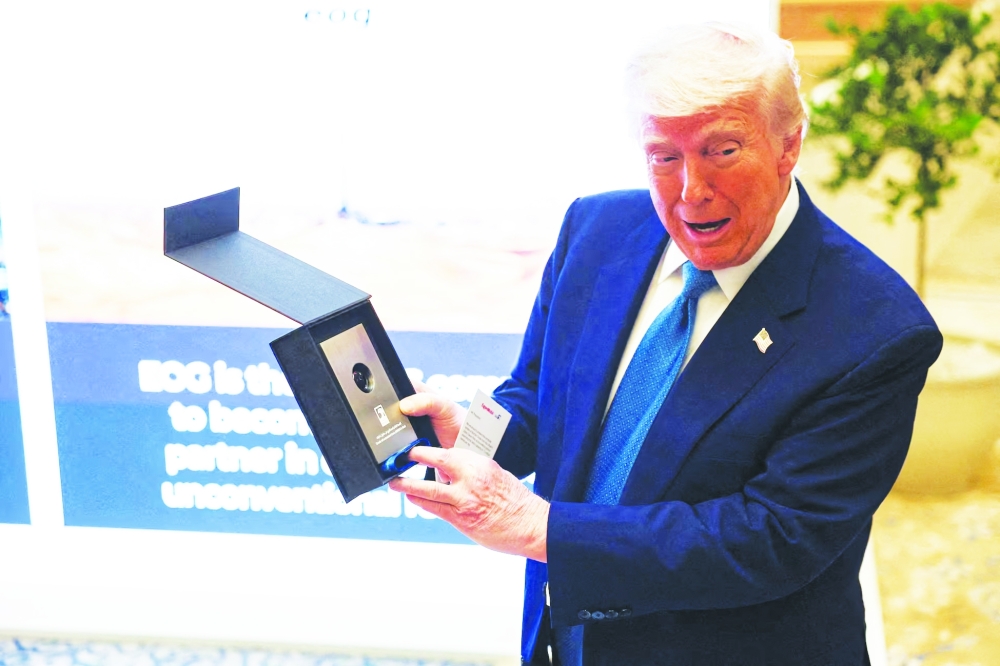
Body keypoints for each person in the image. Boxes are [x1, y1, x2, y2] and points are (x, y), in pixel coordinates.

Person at [389, 22, 942, 665]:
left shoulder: (874, 328)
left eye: (722, 151)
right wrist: (472, 432)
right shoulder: (597, 231)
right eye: (665, 156)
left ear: (789, 144)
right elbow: (541, 397)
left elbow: (771, 537)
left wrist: (543, 529)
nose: (690, 191)